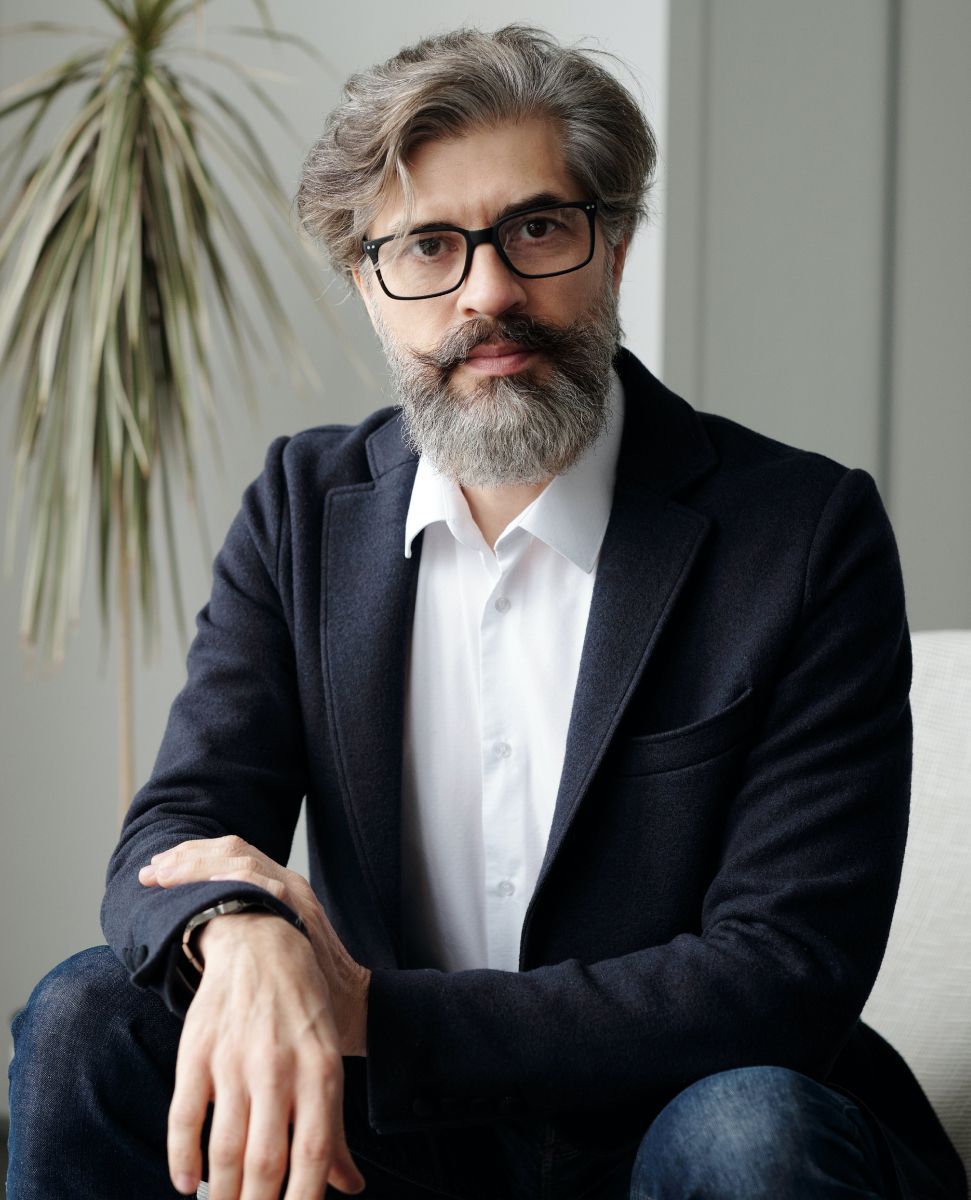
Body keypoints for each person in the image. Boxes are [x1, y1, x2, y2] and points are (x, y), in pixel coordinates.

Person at [6, 23, 967, 1200]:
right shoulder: (304, 511)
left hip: (678, 1120)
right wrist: (242, 928)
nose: (489, 291)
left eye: (537, 229)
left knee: (742, 1131)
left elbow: (781, 971)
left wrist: (372, 1016)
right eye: (425, 247)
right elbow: (175, 832)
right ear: (366, 287)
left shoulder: (803, 534)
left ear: (611, 247)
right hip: (390, 1148)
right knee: (85, 1013)